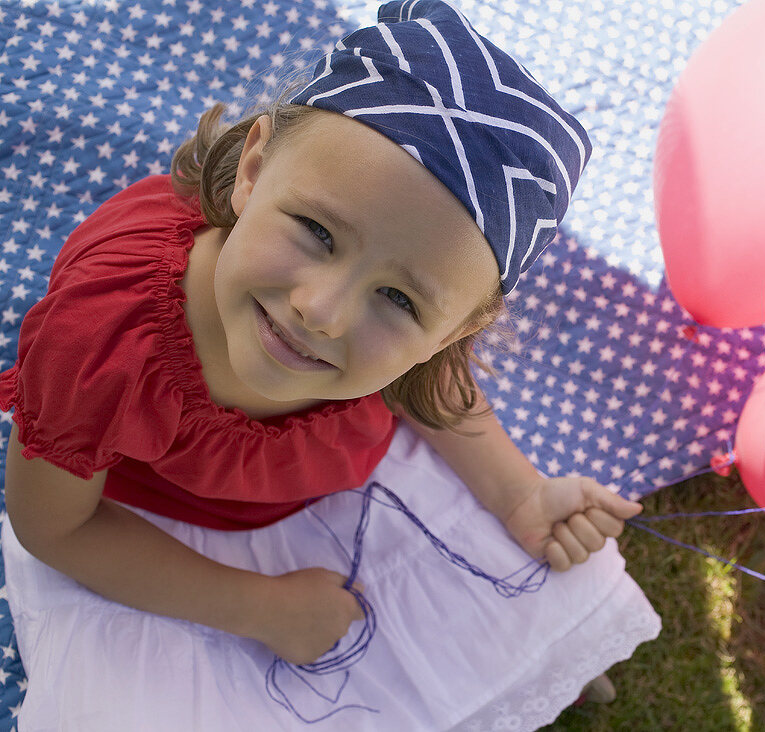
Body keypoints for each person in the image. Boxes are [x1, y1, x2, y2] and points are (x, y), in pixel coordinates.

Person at [0, 2, 660, 729]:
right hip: (156, 530)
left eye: (399, 301)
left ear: (457, 329)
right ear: (253, 169)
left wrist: (519, 497)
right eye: (316, 231)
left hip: (342, 485)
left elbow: (430, 393)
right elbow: (55, 529)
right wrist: (262, 607)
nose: (323, 311)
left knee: (530, 601)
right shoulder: (101, 343)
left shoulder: (394, 350)